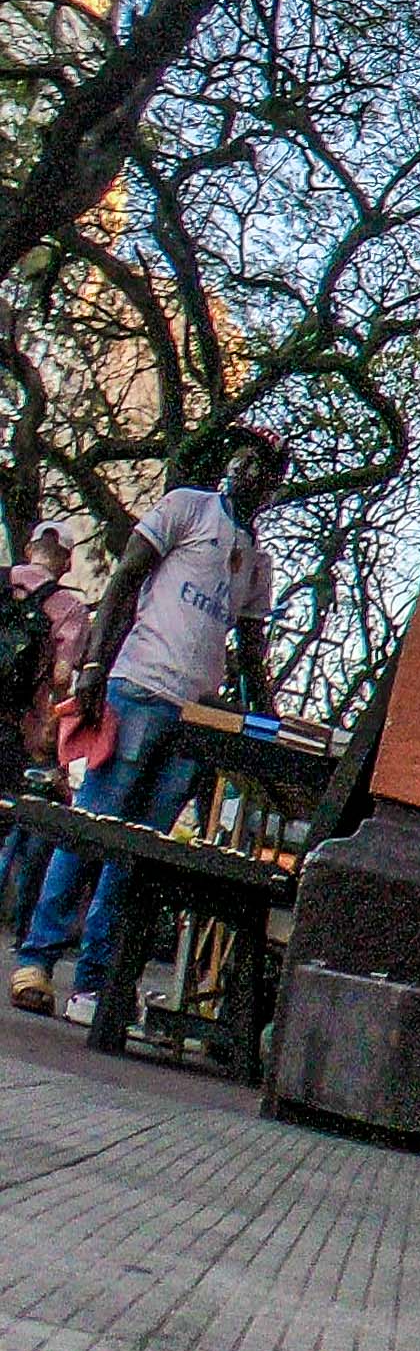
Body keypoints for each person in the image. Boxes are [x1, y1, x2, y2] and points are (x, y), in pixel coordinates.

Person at [10, 434, 282, 1022]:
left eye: (262, 467)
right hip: (137, 689)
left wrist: (267, 726)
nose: (246, 470)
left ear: (272, 486)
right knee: (93, 825)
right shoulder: (186, 507)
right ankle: (37, 959)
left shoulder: (255, 562)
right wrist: (92, 669)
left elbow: (253, 648)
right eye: (242, 457)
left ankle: (96, 983)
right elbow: (126, 580)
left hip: (195, 718)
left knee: (139, 849)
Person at [0, 525, 94, 941]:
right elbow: (61, 679)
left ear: (28, 550)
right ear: (67, 561)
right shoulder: (69, 608)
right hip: (16, 733)